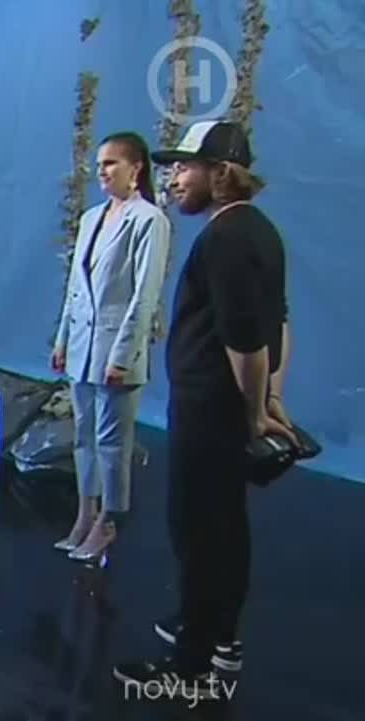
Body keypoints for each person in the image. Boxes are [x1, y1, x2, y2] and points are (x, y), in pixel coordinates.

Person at [113, 120, 298, 694]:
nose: (172, 179)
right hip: (222, 409)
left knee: (197, 531)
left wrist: (255, 412)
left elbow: (245, 338)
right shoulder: (260, 232)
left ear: (220, 173)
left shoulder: (227, 240)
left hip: (210, 413)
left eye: (184, 167)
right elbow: (278, 324)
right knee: (225, 526)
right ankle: (217, 638)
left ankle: (191, 668)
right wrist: (269, 397)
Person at [52, 131, 171, 562]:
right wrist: (63, 339)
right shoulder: (91, 219)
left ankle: (110, 519)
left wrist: (122, 356)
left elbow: (144, 295)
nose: (101, 171)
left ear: (135, 168)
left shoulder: (149, 221)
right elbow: (75, 287)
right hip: (82, 347)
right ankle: (85, 512)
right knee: (83, 435)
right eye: (99, 163)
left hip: (115, 348)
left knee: (112, 442)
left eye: (111, 163)